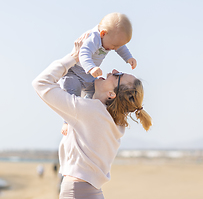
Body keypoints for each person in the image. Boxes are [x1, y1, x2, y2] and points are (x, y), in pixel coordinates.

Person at [32, 35, 152, 199]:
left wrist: (73, 57)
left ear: (111, 94)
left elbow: (41, 83)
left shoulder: (90, 111)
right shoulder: (115, 122)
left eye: (118, 75)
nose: (113, 70)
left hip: (76, 191)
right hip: (91, 192)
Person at [60, 12, 137, 136]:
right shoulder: (94, 38)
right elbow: (83, 53)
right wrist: (91, 68)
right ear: (103, 34)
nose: (113, 48)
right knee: (71, 94)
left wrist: (128, 58)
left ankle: (84, 115)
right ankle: (67, 121)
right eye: (113, 46)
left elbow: (121, 47)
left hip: (88, 76)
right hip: (74, 73)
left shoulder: (111, 37)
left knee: (93, 95)